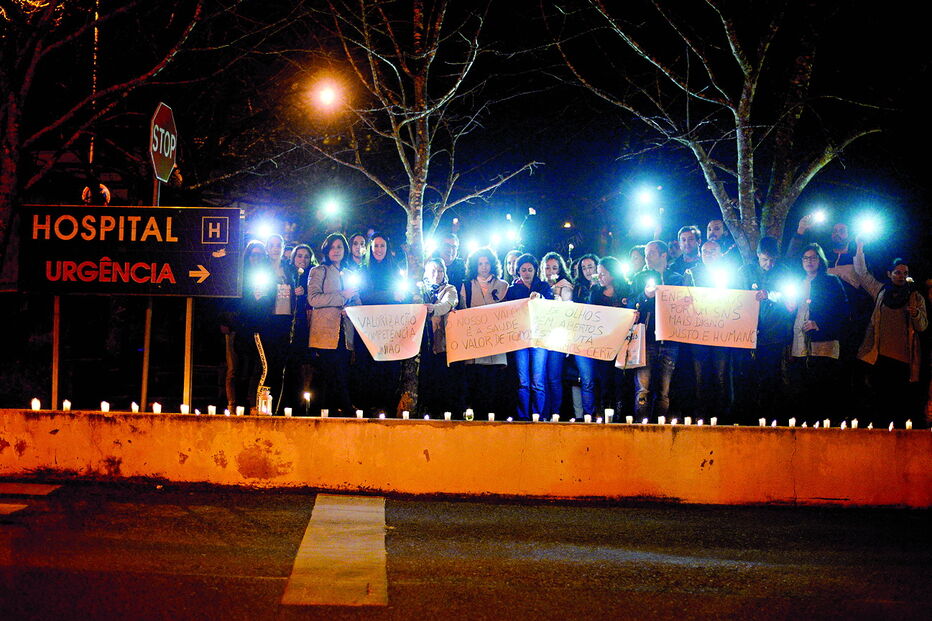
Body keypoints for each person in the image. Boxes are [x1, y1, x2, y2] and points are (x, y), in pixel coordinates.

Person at [854, 241, 928, 426]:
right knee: (880, 403)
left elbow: (923, 326)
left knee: (900, 405)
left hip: (904, 360)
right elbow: (863, 275)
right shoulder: (881, 292)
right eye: (897, 272)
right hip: (881, 357)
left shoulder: (915, 296)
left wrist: (916, 314)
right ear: (889, 274)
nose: (901, 276)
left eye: (905, 273)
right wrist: (860, 247)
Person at [783, 243, 848, 423]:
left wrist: (819, 324)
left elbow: (842, 311)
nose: (809, 261)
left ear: (820, 260)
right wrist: (789, 308)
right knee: (801, 388)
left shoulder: (831, 281)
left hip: (822, 344)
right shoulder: (798, 283)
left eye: (813, 258)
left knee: (822, 389)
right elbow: (792, 310)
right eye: (805, 258)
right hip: (799, 342)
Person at [735, 237, 793, 423]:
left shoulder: (784, 272)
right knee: (746, 377)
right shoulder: (745, 271)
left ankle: (770, 418)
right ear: (758, 255)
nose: (769, 264)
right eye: (765, 259)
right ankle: (747, 418)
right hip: (746, 334)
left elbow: (791, 298)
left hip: (773, 334)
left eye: (773, 260)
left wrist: (771, 295)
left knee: (771, 377)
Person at [683, 240, 742, 421]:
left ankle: (723, 416)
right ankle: (702, 414)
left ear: (721, 253)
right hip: (699, 336)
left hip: (721, 335)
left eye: (713, 251)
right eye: (706, 251)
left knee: (722, 375)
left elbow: (737, 300)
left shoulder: (730, 275)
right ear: (700, 254)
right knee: (700, 376)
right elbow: (683, 297)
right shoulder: (691, 273)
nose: (709, 254)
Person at [628, 241, 684, 419]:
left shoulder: (677, 279)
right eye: (645, 254)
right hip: (646, 340)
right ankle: (640, 426)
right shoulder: (639, 278)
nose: (647, 257)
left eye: (651, 253)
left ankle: (660, 430)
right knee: (642, 389)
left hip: (670, 340)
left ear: (663, 255)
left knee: (664, 391)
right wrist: (644, 296)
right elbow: (630, 304)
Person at [308, 233, 360, 416]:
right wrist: (341, 296)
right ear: (326, 249)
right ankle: (319, 410)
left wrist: (352, 309)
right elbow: (313, 298)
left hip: (345, 332)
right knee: (325, 373)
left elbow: (356, 300)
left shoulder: (351, 273)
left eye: (340, 247)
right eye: (333, 247)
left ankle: (339, 409)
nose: (336, 251)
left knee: (342, 372)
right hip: (325, 333)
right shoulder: (318, 271)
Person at [358, 233, 406, 415]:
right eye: (376, 246)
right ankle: (369, 405)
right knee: (369, 366)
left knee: (389, 367)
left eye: (382, 246)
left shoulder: (395, 271)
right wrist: (389, 296)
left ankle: (387, 405)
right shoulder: (363, 270)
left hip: (390, 328)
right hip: (368, 328)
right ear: (371, 249)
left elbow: (401, 296)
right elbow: (363, 296)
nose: (379, 249)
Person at [459, 247, 510, 417]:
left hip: (495, 348)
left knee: (493, 388)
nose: (484, 267)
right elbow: (463, 313)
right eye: (480, 264)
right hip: (474, 349)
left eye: (487, 263)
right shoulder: (466, 286)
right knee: (475, 386)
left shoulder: (503, 286)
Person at [505, 254, 554, 419]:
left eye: (530, 270)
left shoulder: (544, 287)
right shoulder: (512, 290)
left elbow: (552, 305)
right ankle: (523, 418)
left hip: (539, 340)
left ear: (535, 270)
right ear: (518, 271)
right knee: (523, 382)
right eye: (523, 270)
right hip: (520, 340)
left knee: (538, 381)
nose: (527, 273)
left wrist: (540, 298)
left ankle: (538, 416)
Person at [583, 256, 630, 418]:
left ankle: (620, 415)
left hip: (623, 344)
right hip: (602, 344)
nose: (600, 277)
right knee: (604, 381)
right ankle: (604, 413)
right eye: (598, 273)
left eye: (603, 273)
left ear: (613, 274)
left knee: (620, 381)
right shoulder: (595, 293)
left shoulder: (626, 290)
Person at [418, 258, 459, 415]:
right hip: (422, 342)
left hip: (441, 342)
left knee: (442, 379)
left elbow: (448, 304)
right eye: (433, 271)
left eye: (440, 271)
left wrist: (432, 309)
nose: (437, 274)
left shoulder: (450, 289)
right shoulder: (420, 290)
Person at [234, 240, 272, 413]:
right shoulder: (239, 276)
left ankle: (254, 403)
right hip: (243, 328)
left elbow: (271, 302)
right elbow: (235, 303)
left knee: (259, 367)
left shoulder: (267, 275)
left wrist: (262, 298)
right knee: (243, 368)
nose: (256, 258)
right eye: (253, 255)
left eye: (259, 255)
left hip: (261, 328)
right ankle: (239, 403)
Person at [282, 244, 316, 411]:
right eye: (299, 256)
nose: (302, 259)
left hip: (305, 324)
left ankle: (302, 403)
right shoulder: (287, 274)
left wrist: (305, 294)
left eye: (306, 256)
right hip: (287, 323)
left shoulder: (313, 276)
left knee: (304, 364)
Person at [542, 252, 574, 416]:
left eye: (554, 268)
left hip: (558, 338)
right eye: (547, 267)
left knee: (554, 377)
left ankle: (555, 413)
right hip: (541, 338)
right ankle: (544, 413)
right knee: (542, 379)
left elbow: (567, 308)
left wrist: (558, 294)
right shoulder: (540, 285)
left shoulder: (564, 285)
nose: (550, 271)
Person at [568, 253, 599, 418]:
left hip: (602, 339)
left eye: (590, 267)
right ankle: (589, 415)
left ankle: (603, 413)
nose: (587, 271)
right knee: (586, 380)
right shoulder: (577, 288)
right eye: (584, 268)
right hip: (582, 340)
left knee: (601, 379)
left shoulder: (603, 286)